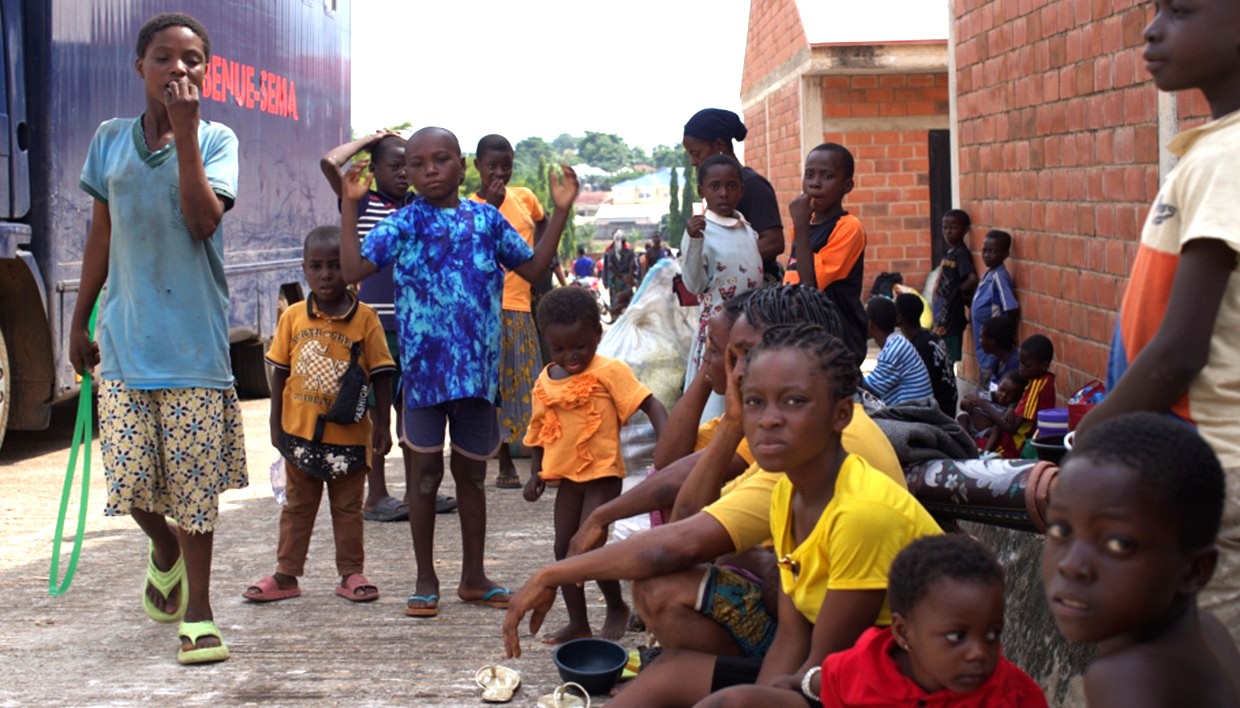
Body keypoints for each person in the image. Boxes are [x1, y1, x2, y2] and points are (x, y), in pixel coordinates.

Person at [593, 325, 942, 706]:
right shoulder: (789, 493)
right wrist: (763, 693)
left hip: (903, 688)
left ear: (841, 414)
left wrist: (756, 698)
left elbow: (823, 666)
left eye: (794, 401)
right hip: (836, 674)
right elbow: (792, 637)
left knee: (729, 702)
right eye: (755, 402)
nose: (768, 419)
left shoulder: (862, 514)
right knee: (666, 676)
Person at [564, 286, 906, 661]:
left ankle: (728, 671)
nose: (737, 370)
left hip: (855, 651)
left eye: (745, 355)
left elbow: (681, 535)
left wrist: (555, 573)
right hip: (802, 623)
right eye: (730, 356)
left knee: (665, 585)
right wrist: (727, 411)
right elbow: (674, 474)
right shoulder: (775, 434)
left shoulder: (806, 440)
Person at [338, 126, 579, 618]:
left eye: (441, 160)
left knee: (471, 476)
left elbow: (535, 272)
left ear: (461, 165)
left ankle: (473, 577)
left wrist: (560, 211)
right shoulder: (404, 223)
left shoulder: (485, 220)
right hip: (423, 379)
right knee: (424, 476)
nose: (429, 170)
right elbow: (352, 271)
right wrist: (349, 206)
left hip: (476, 379)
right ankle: (425, 579)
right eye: (417, 163)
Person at [68, 12, 245, 665]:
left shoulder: (218, 139)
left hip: (193, 344)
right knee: (130, 482)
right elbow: (101, 232)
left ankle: (199, 613)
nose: (178, 68)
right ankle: (162, 546)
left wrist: (187, 134)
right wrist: (79, 318)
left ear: (207, 71)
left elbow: (202, 221)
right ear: (139, 66)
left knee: (194, 490)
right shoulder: (110, 139)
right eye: (165, 57)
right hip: (124, 336)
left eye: (192, 59)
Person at [1076, 0, 1240, 641]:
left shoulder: (1228, 157)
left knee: (1204, 661)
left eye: (1181, 11)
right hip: (1192, 458)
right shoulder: (1214, 148)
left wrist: (1089, 441)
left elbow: (1180, 351)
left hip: (1207, 464)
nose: (1151, 28)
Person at [243, 225, 396, 604]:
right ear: (304, 270)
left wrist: (383, 424)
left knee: (348, 509)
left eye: (335, 265)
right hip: (300, 437)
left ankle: (351, 573)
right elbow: (280, 373)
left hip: (350, 440)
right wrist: (275, 423)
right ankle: (286, 575)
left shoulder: (366, 319)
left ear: (351, 268)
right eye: (316, 266)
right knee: (297, 508)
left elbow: (382, 374)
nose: (326, 274)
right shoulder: (293, 317)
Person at [1042, 413, 1240, 706]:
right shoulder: (1210, 631)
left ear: (1194, 571)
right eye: (1061, 530)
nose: (1071, 565)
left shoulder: (1127, 679)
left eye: (1119, 544)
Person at [712, 534, 1047, 707]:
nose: (979, 653)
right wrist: (794, 684)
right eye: (957, 636)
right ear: (903, 632)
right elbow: (827, 680)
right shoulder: (870, 664)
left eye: (992, 635)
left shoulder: (1012, 697)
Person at [521, 286, 668, 644]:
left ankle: (616, 605)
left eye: (580, 346)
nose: (570, 356)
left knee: (587, 544)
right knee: (562, 549)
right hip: (567, 478)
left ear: (597, 335)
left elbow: (651, 404)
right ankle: (578, 622)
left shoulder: (609, 370)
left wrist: (668, 444)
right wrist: (536, 471)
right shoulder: (545, 379)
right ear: (547, 343)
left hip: (603, 474)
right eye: (559, 348)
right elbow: (538, 428)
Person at [320, 130, 452, 521]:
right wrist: (371, 140)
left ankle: (417, 492)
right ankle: (376, 495)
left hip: (414, 328)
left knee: (413, 414)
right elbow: (329, 162)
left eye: (405, 166)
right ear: (374, 171)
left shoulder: (417, 206)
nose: (402, 174)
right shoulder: (361, 200)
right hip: (374, 329)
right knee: (376, 417)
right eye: (392, 167)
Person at [468, 134, 548, 490]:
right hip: (485, 310)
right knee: (494, 388)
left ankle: (540, 463)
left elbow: (543, 223)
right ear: (477, 166)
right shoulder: (469, 207)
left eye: (506, 166)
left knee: (531, 386)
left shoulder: (525, 197)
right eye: (492, 166)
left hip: (520, 305)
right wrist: (492, 205)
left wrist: (540, 259)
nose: (500, 173)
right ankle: (503, 462)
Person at [681, 153, 763, 421]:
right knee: (715, 407)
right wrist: (693, 241)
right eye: (715, 186)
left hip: (750, 331)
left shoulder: (747, 230)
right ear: (701, 191)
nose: (724, 193)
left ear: (741, 190)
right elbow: (694, 284)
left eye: (731, 185)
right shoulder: (700, 232)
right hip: (718, 337)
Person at [783, 143, 869, 362]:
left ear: (847, 186)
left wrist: (800, 225)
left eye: (827, 176)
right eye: (809, 175)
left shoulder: (848, 227)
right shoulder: (803, 226)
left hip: (837, 341)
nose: (815, 183)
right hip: (803, 336)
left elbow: (809, 289)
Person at [682, 108, 785, 280]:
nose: (693, 162)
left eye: (697, 154)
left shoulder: (753, 185)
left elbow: (774, 242)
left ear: (719, 145)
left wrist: (727, 265)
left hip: (755, 290)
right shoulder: (715, 189)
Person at [976, 335, 1055, 458]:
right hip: (1015, 438)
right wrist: (1012, 407)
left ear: (1044, 365)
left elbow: (1011, 427)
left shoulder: (1037, 386)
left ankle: (983, 457)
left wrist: (981, 403)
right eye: (1020, 363)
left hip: (1017, 445)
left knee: (972, 446)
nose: (1021, 368)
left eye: (1026, 365)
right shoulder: (1039, 380)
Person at [862, 297, 934, 406]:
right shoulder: (897, 343)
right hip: (914, 410)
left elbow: (868, 389)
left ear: (871, 325)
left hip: (913, 414)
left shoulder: (895, 350)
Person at [896, 293, 959, 417]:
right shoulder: (932, 337)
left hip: (938, 411)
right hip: (949, 405)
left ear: (899, 317)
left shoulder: (919, 347)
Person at [970, 229, 1020, 384]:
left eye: (993, 251)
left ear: (1005, 254)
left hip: (994, 344)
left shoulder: (999, 276)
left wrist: (1006, 335)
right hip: (984, 345)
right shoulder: (988, 274)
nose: (987, 255)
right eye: (984, 251)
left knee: (990, 379)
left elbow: (1010, 307)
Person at [933, 209, 978, 363]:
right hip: (942, 313)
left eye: (953, 228)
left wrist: (957, 291)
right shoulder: (950, 253)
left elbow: (972, 279)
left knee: (949, 356)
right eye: (945, 227)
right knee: (940, 352)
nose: (948, 232)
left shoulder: (961, 253)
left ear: (965, 230)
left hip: (952, 315)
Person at [958, 371, 1027, 457]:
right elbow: (966, 401)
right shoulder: (987, 395)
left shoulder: (1011, 407)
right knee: (963, 415)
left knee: (996, 429)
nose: (1003, 395)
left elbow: (1008, 419)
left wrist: (1011, 408)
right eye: (1001, 389)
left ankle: (985, 453)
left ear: (1017, 397)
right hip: (970, 424)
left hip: (984, 432)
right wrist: (965, 403)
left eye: (1010, 395)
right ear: (998, 385)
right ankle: (964, 444)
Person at [602, 229, 637, 315]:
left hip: (617, 280)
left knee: (617, 301)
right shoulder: (629, 252)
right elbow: (633, 266)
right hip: (624, 280)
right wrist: (628, 278)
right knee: (626, 301)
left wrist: (622, 277)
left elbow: (610, 267)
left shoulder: (611, 253)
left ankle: (615, 314)